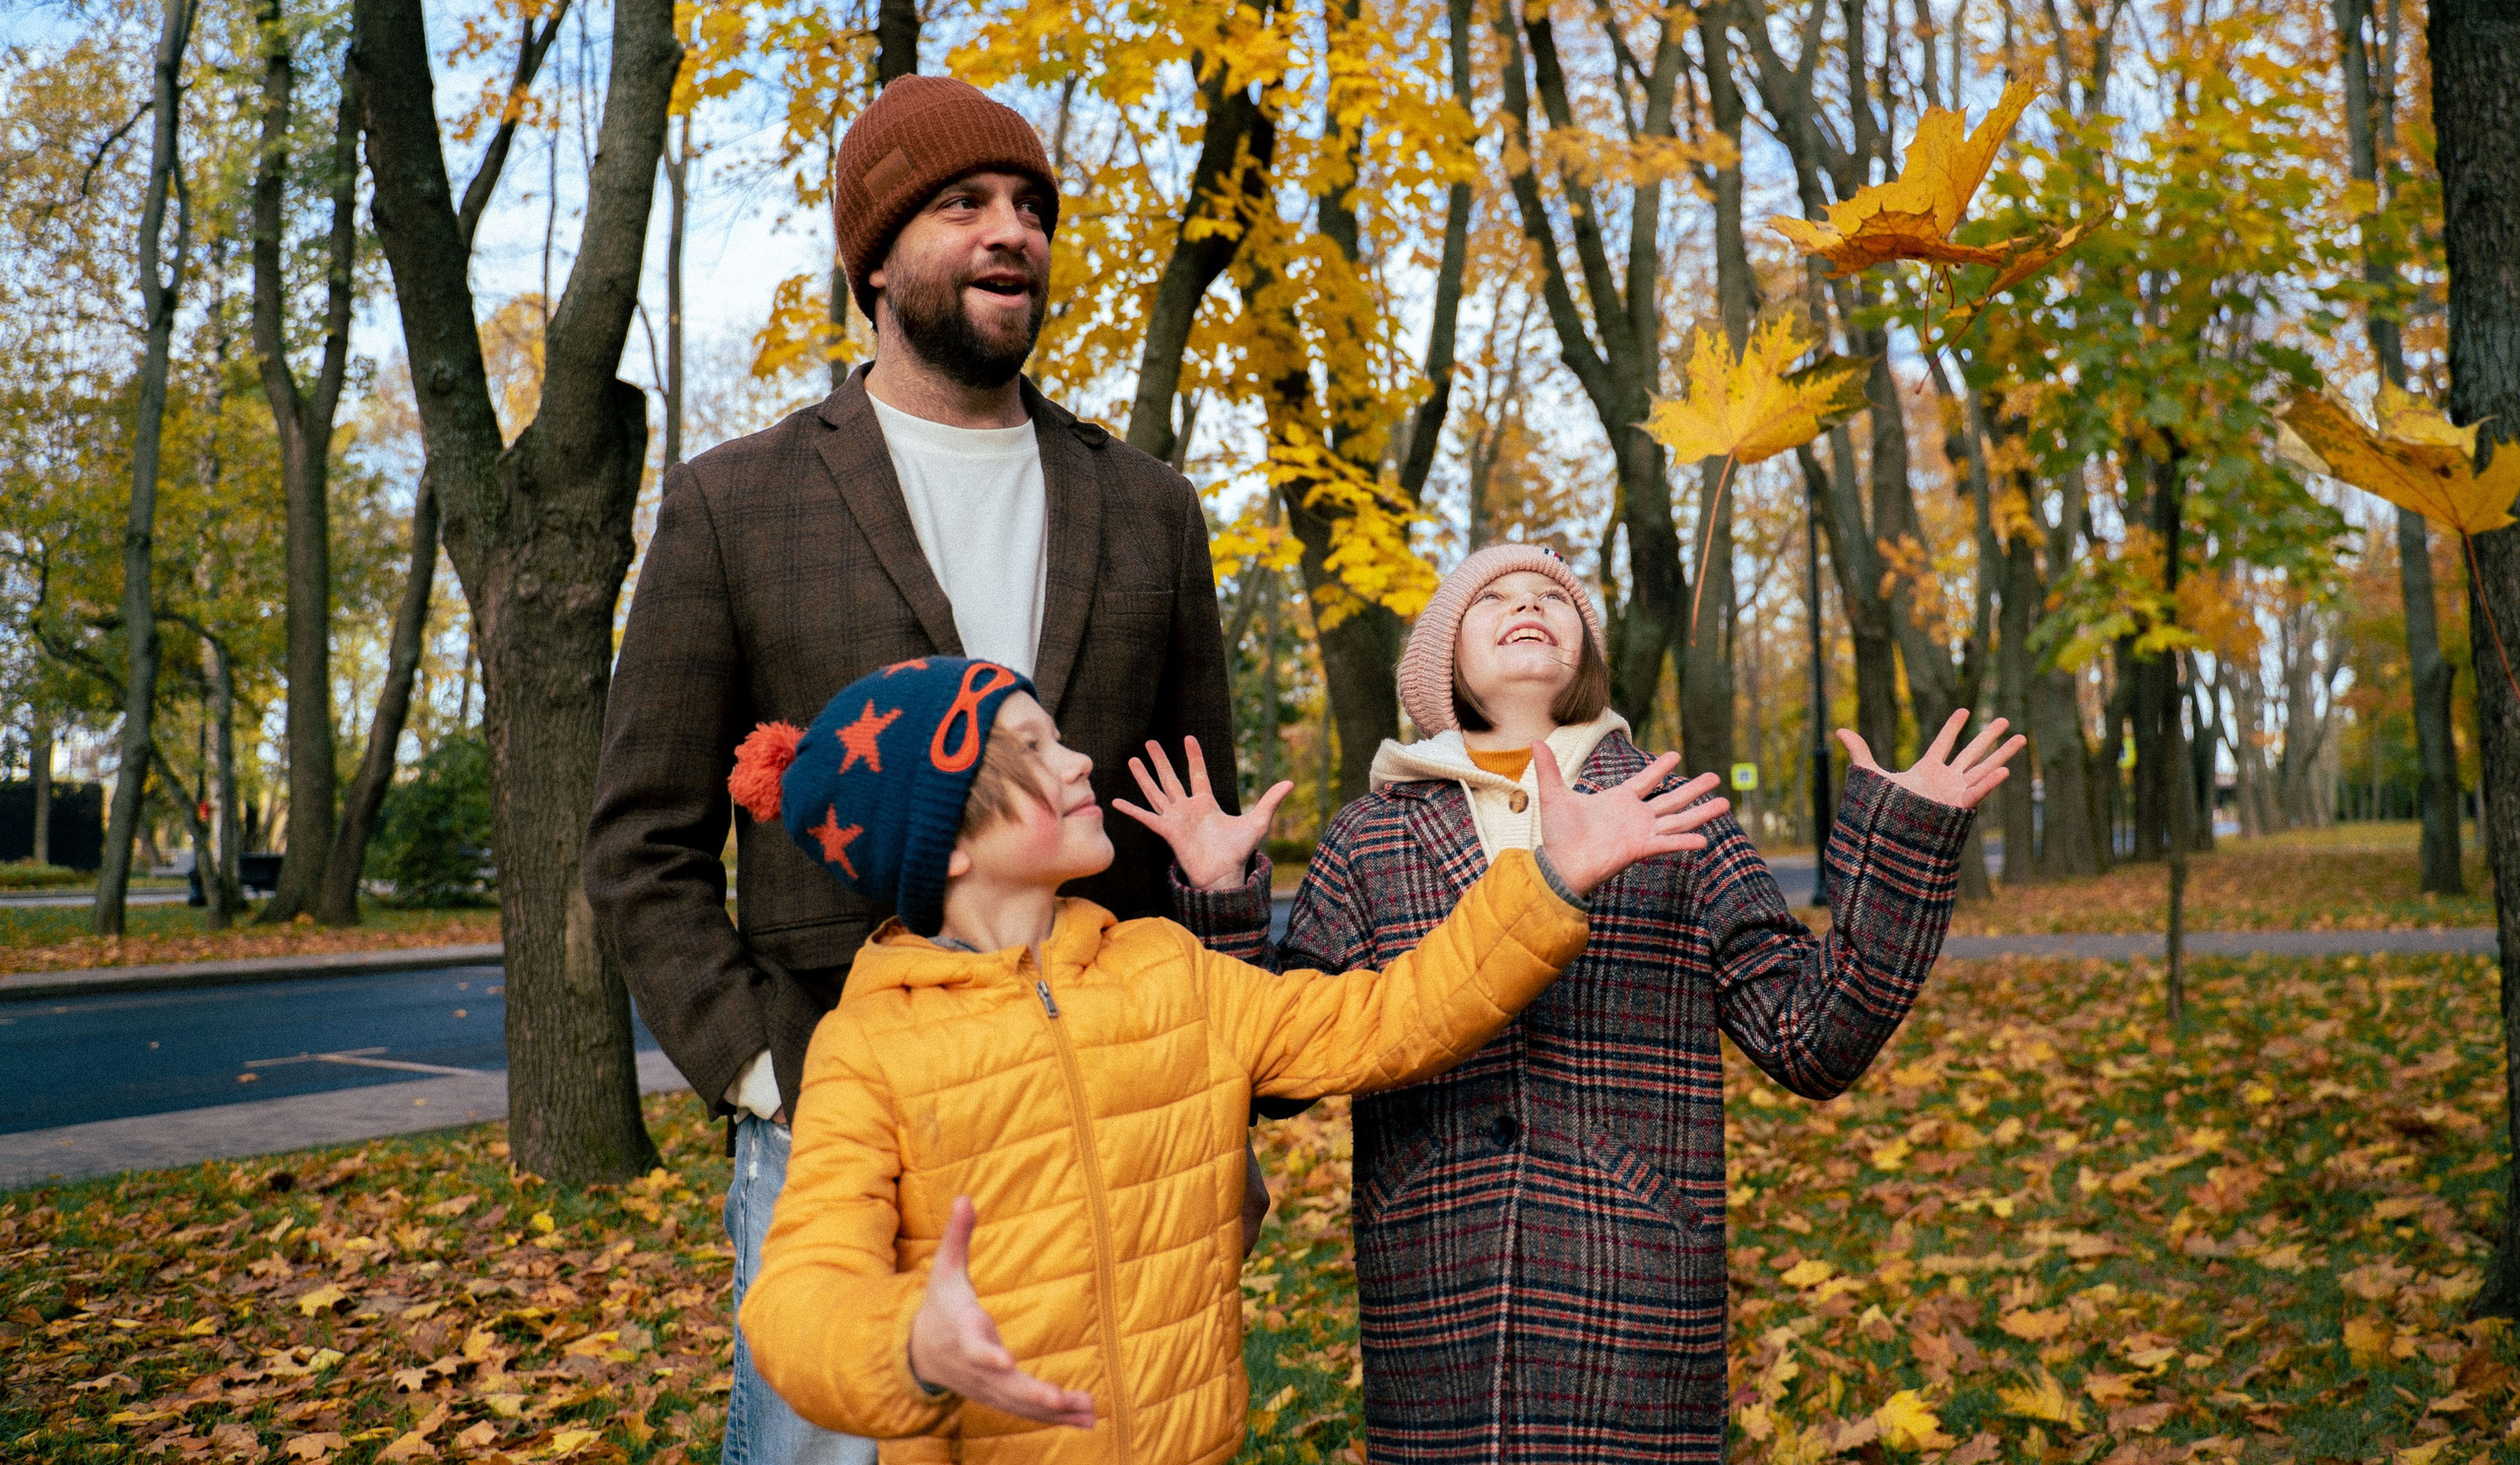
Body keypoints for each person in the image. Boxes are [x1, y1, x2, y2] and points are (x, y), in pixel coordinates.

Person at [584, 76, 1247, 1465]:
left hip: (1107, 1102)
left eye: (1031, 208)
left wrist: (1208, 1089)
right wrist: (770, 1070)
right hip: (848, 1106)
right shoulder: (733, 502)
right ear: (872, 260)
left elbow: (1191, 813)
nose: (1012, 232)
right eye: (964, 206)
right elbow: (643, 836)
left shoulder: (1148, 505)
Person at [727, 655, 1731, 1463]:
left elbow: (1388, 1019)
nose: (1080, 761)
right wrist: (909, 1340)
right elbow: (798, 1296)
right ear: (943, 837)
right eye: (1032, 747)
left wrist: (1548, 879)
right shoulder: (870, 1043)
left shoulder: (1166, 969)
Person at [1164, 542, 2025, 1463]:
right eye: (1493, 596)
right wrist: (1221, 896)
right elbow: (1280, 1062)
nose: (1529, 603)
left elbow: (1808, 1037)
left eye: (1554, 596)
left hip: (1634, 1259)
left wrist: (1903, 846)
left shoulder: (1672, 810)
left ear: (1586, 652)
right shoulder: (1373, 836)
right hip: (1435, 1269)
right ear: (1441, 658)